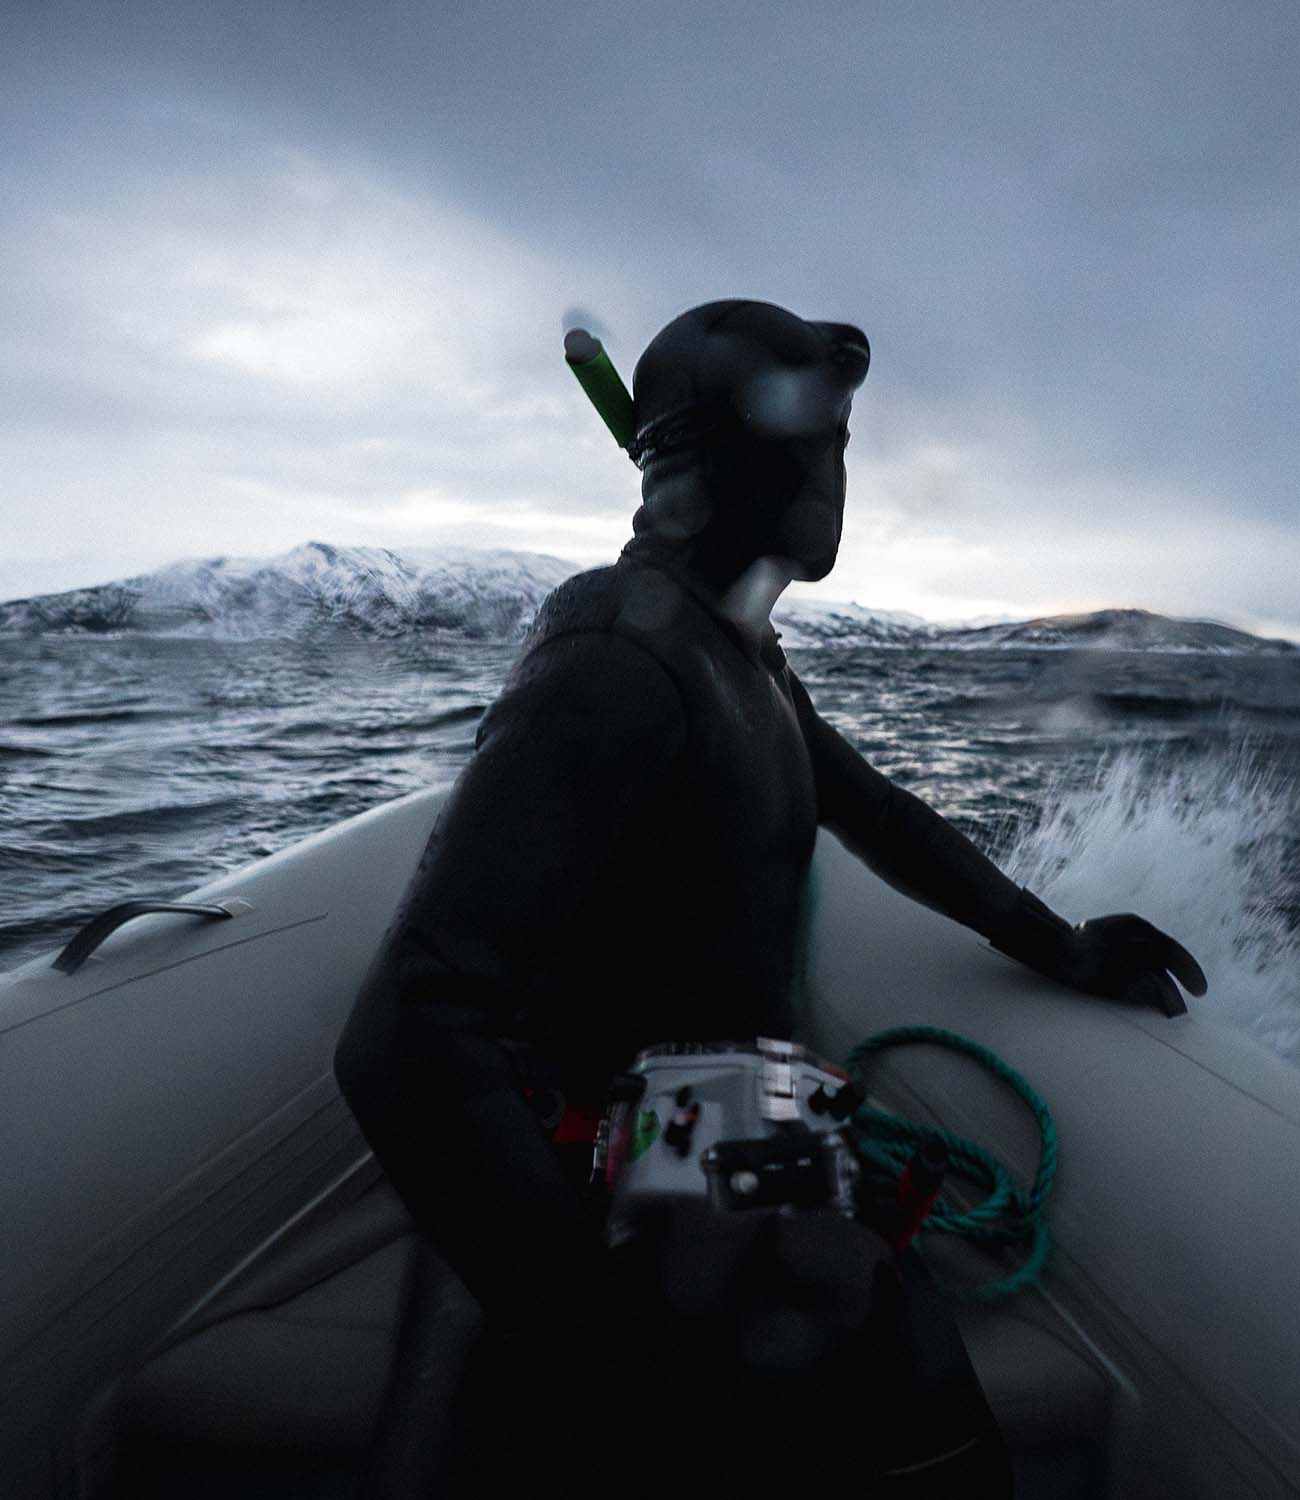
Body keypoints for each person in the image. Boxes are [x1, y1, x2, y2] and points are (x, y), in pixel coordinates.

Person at [334, 299, 1206, 1495]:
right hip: (614, 1133)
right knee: (876, 1343)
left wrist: (1055, 945)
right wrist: (593, 1326)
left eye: (836, 439)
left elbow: (879, 815)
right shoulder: (616, 667)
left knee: (896, 1335)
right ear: (689, 461)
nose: (826, 471)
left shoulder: (735, 651)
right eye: (794, 435)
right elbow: (406, 1037)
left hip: (722, 1106)